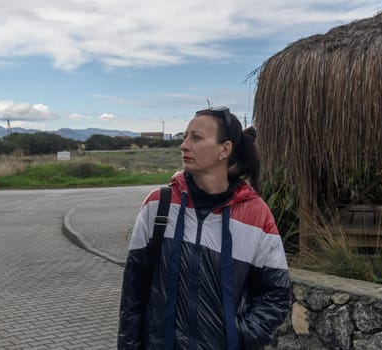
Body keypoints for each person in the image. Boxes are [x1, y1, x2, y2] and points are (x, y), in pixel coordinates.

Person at [118, 106, 291, 350]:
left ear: (225, 149)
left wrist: (239, 335)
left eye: (196, 138)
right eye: (185, 137)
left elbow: (277, 293)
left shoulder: (255, 214)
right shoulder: (159, 205)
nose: (184, 145)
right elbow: (133, 293)